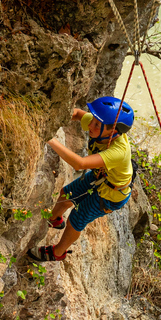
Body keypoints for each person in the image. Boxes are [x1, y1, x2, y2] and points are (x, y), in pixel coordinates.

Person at [27, 96, 134, 262]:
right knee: (66, 193)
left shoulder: (119, 151)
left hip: (111, 195)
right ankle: (54, 219)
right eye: (93, 121)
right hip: (100, 176)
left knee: (77, 219)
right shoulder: (102, 125)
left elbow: (80, 163)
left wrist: (48, 137)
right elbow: (77, 114)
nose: (91, 125)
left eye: (97, 124)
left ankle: (58, 252)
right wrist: (54, 118)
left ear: (113, 131)